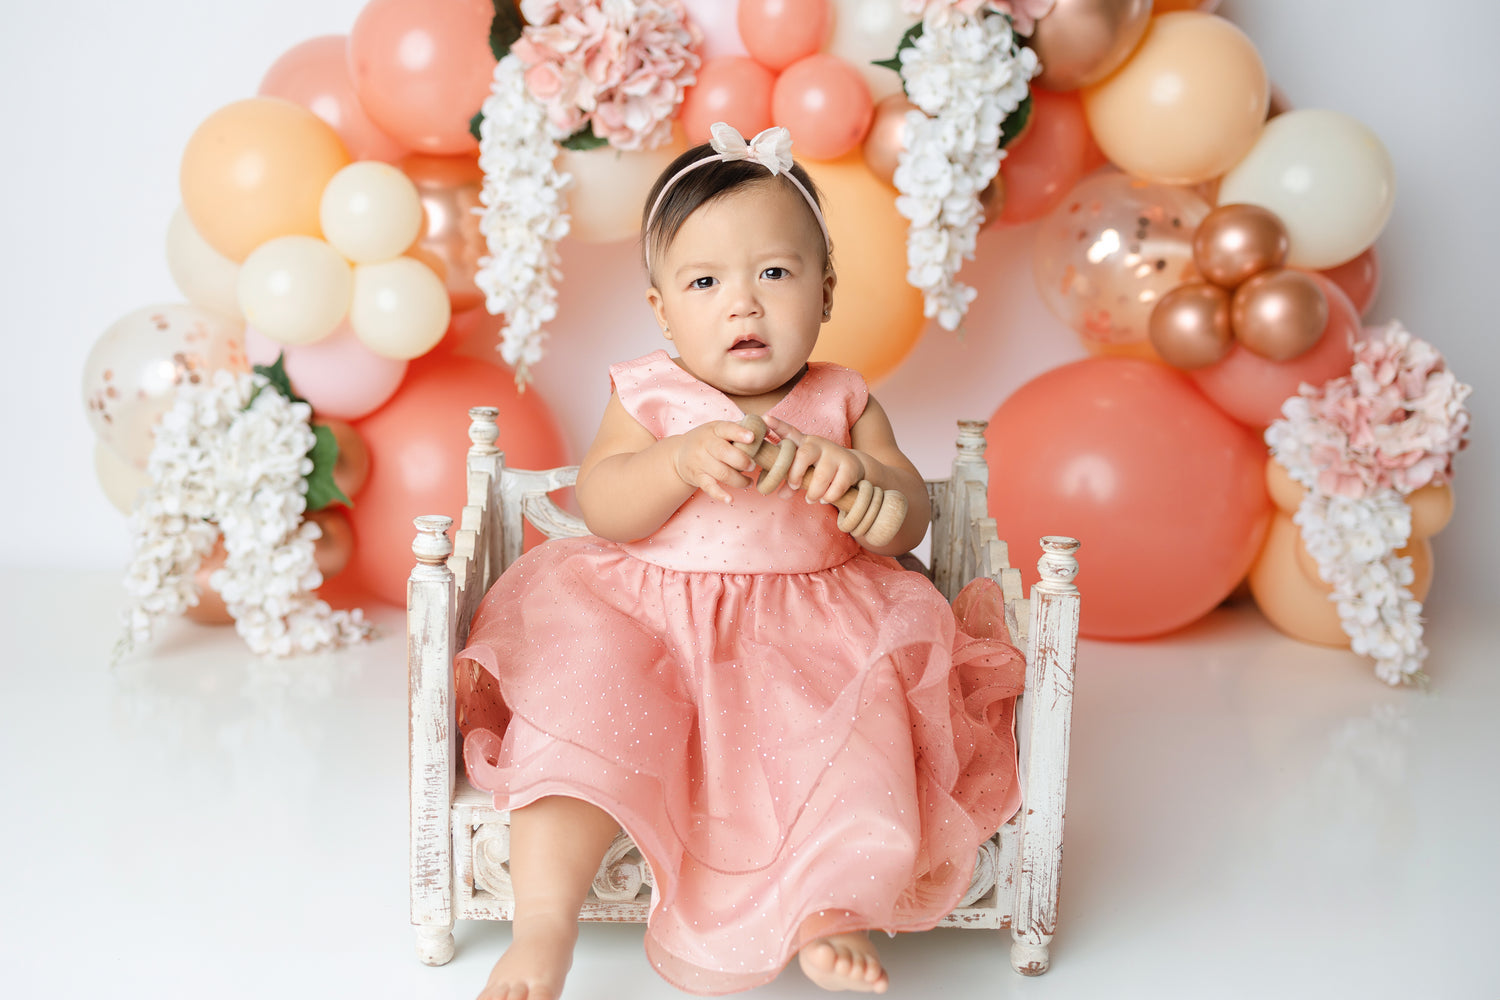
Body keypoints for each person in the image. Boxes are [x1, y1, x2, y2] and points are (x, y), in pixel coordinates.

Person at [457, 123, 1025, 1000]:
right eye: (705, 282)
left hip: (812, 635)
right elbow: (602, 505)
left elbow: (910, 512)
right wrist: (673, 462)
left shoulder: (843, 399)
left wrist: (865, 483)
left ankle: (828, 910)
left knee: (854, 742)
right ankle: (544, 925)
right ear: (662, 309)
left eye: (775, 274)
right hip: (646, 626)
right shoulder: (648, 395)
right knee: (580, 725)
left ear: (825, 293)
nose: (743, 305)